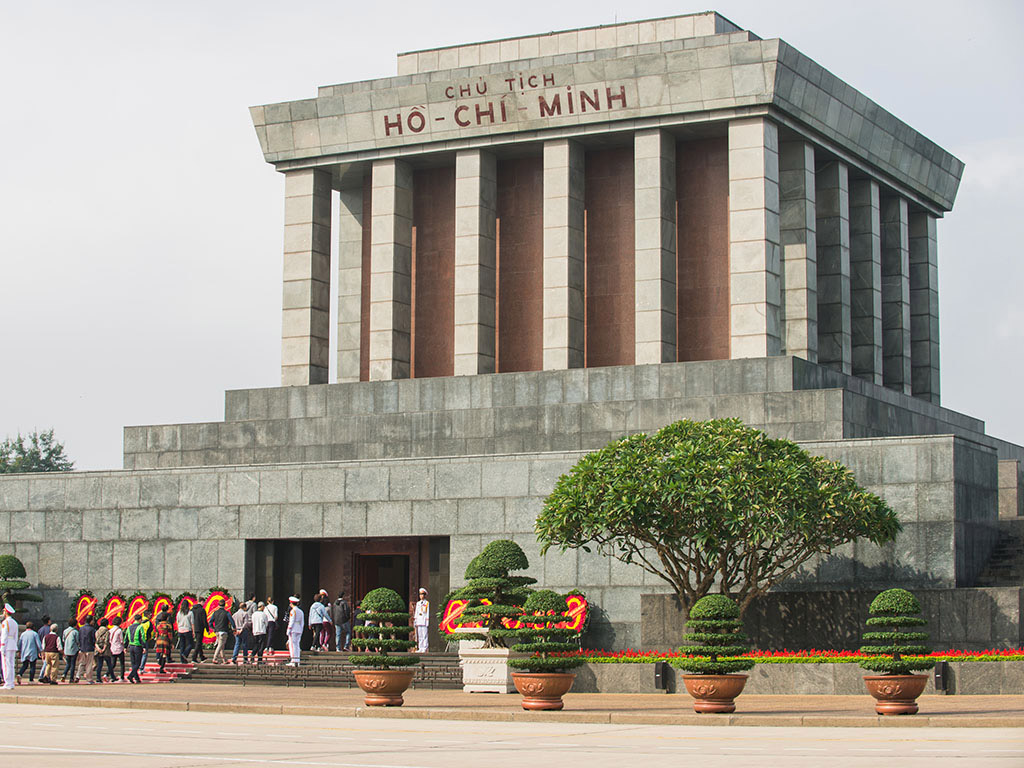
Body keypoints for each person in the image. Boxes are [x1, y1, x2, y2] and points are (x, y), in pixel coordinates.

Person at [125, 616, 148, 684]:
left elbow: (126, 637)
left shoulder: (129, 627)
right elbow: (142, 637)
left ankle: (137, 678)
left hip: (131, 646)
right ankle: (131, 675)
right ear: (140, 620)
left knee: (133, 663)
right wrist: (144, 647)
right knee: (138, 663)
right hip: (138, 646)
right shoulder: (140, 627)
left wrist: (125, 646)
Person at [1, 604, 19, 689]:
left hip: (7, 644)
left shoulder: (5, 622)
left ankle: (7, 683)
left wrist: (2, 646)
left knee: (6, 664)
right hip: (12, 644)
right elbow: (16, 636)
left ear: (6, 612)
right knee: (11, 665)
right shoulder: (14, 622)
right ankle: (11, 682)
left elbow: (4, 635)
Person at [77, 614, 97, 684]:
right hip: (89, 648)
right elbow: (94, 639)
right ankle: (89, 679)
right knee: (89, 664)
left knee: (81, 663)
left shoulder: (81, 628)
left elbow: (79, 638)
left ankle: (77, 676)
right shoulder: (92, 629)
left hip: (82, 648)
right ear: (91, 621)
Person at [286, 595, 304, 667]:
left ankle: (293, 660)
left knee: (292, 645)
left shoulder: (293, 611)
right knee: (297, 646)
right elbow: (302, 622)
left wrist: (288, 629)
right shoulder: (300, 611)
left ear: (291, 603)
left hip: (293, 629)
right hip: (299, 629)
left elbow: (291, 621)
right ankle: (297, 661)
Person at [94, 617, 113, 682]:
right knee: (109, 664)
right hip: (105, 650)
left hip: (98, 649)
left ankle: (98, 678)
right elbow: (106, 641)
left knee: (99, 664)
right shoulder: (107, 631)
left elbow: (95, 641)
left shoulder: (97, 631)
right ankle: (112, 676)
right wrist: (103, 649)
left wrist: (98, 649)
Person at [108, 617, 125, 681]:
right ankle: (122, 677)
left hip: (112, 648)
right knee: (122, 664)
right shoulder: (119, 630)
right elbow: (121, 640)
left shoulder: (110, 630)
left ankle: (107, 674)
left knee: (113, 663)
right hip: (119, 648)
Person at [414, 587, 430, 653]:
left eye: (422, 594)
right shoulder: (418, 603)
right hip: (419, 620)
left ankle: (425, 647)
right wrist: (415, 620)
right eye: (420, 594)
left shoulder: (426, 603)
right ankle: (420, 647)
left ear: (425, 595)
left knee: (424, 635)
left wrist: (427, 621)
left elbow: (427, 612)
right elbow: (416, 612)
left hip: (424, 620)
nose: (421, 596)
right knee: (419, 635)